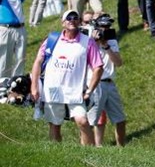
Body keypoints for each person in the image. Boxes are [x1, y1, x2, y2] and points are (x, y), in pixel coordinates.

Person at [29, 10, 104, 146]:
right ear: (63, 23)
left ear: (79, 21)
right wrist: (34, 86)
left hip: (75, 92)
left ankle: (90, 154)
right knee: (54, 125)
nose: (72, 20)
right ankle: (56, 154)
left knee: (82, 121)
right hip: (53, 90)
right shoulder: (52, 39)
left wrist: (89, 91)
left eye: (75, 17)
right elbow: (38, 62)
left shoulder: (88, 42)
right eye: (68, 18)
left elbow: (98, 67)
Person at [0, 0, 57, 78]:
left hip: (20, 29)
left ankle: (17, 83)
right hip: (5, 29)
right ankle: (2, 85)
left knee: (21, 58)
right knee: (4, 59)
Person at [84, 13, 126, 147]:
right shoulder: (88, 41)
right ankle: (87, 150)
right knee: (90, 122)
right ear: (96, 27)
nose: (106, 29)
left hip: (110, 83)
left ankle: (122, 150)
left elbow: (118, 62)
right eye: (103, 27)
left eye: (108, 26)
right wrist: (94, 43)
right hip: (95, 84)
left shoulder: (111, 41)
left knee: (120, 120)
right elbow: (84, 61)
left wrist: (106, 46)